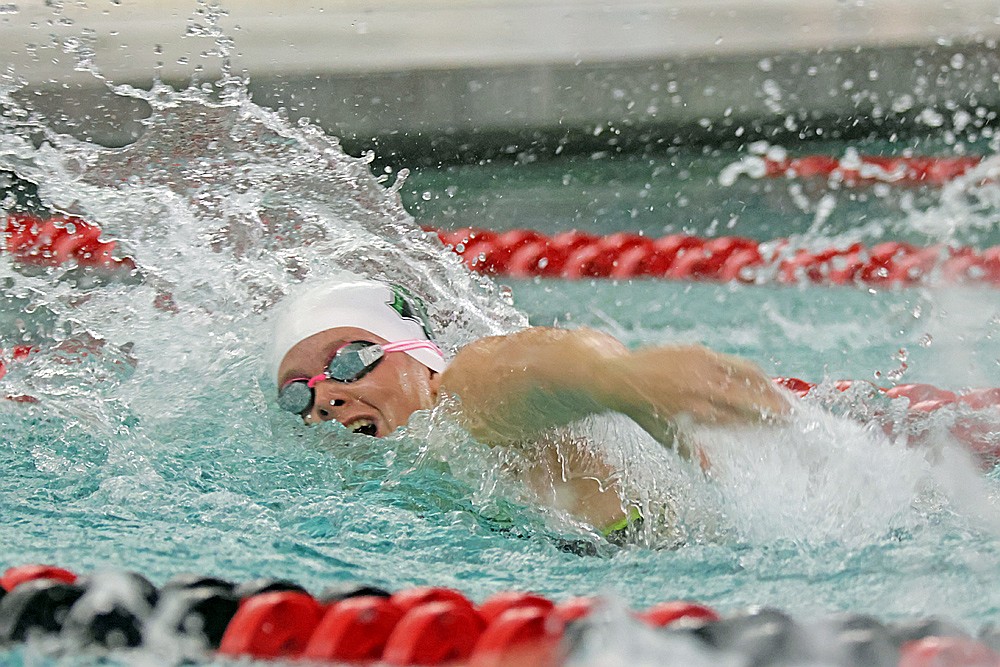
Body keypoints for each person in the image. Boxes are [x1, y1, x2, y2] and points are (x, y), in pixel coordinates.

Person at [269, 274, 789, 541]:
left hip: (665, 552)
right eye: (298, 391)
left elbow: (531, 366)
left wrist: (618, 379)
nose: (325, 396)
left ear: (419, 356)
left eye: (349, 360)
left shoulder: (460, 399)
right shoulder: (378, 482)